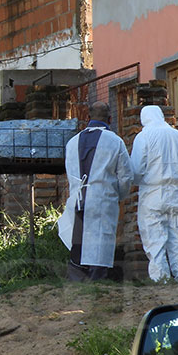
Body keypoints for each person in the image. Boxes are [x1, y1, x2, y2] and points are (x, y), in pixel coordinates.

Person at [57, 102, 134, 281]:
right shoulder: (115, 141)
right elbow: (126, 176)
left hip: (78, 198)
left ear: (88, 118)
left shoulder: (72, 142)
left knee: (79, 240)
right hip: (103, 198)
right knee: (101, 241)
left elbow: (70, 173)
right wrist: (119, 196)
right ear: (110, 119)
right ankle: (97, 280)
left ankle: (77, 281)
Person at [130, 105, 178, 281]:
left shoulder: (143, 136)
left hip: (153, 193)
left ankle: (161, 281)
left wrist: (139, 182)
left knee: (154, 239)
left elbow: (136, 169)